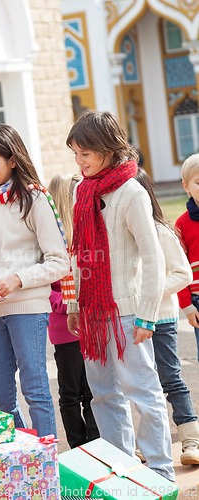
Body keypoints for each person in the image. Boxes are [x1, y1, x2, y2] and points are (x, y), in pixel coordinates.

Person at [66, 110, 175, 482]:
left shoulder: (131, 192)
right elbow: (78, 253)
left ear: (108, 149)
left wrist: (148, 314)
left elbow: (153, 255)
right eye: (76, 155)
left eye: (86, 154)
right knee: (103, 396)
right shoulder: (81, 191)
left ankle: (160, 472)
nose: (79, 163)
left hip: (128, 313)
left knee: (143, 393)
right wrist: (73, 304)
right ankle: (123, 472)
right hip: (93, 314)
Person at [0, 124, 70, 437]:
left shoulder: (36, 199)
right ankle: (24, 461)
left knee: (35, 389)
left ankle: (46, 467)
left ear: (12, 160)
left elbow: (60, 262)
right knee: (0, 399)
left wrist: (18, 279)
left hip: (28, 307)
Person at [135, 167, 199, 465]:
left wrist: (151, 294)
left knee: (170, 377)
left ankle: (191, 441)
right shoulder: (120, 237)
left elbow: (183, 273)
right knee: (142, 383)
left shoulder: (161, 231)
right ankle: (150, 444)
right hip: (133, 320)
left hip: (161, 318)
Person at [47, 173, 99, 448]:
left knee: (93, 392)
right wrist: (67, 304)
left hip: (90, 326)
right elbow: (46, 287)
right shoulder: (49, 243)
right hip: (64, 331)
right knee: (70, 394)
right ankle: (78, 447)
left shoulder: (85, 235)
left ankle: (95, 443)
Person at [176, 153, 199, 362]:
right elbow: (179, 267)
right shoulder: (182, 225)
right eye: (198, 182)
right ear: (186, 186)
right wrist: (187, 305)